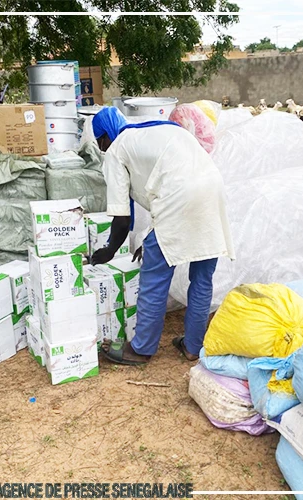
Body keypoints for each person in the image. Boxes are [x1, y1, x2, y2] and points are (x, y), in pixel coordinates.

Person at [89, 107, 234, 365]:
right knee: (202, 277)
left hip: (179, 196)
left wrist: (107, 252)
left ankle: (141, 349)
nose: (102, 148)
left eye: (100, 143)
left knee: (154, 275)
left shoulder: (116, 150)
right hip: (213, 191)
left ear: (103, 138)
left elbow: (121, 220)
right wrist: (152, 237)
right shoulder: (155, 130)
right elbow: (164, 182)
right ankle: (192, 346)